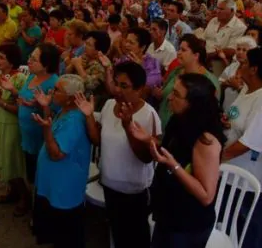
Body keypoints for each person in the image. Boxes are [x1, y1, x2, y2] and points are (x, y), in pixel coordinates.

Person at [76, 61, 162, 248]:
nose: (117, 90)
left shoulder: (148, 115)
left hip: (134, 191)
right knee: (118, 232)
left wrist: (128, 127)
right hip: (110, 184)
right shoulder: (108, 105)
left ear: (139, 90)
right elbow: (99, 141)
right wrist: (89, 116)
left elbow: (147, 157)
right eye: (116, 83)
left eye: (125, 86)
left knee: (136, 238)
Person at [149, 74, 226, 248]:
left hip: (187, 223)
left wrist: (173, 166)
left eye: (176, 94)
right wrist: (146, 138)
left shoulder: (206, 140)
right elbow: (171, 148)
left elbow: (206, 196)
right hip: (169, 211)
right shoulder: (179, 119)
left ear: (193, 103)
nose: (169, 97)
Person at [222, 47, 262, 248]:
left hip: (248, 173)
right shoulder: (248, 89)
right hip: (231, 167)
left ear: (254, 69)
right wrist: (226, 120)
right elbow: (234, 112)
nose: (241, 65)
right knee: (229, 221)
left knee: (245, 224)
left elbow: (249, 143)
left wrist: (217, 156)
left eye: (245, 62)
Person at [30, 75, 91, 248]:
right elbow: (51, 124)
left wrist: (46, 131)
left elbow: (56, 154)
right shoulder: (64, 112)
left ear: (71, 98)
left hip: (64, 187)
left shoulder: (74, 121)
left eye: (57, 90)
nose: (52, 92)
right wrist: (45, 108)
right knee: (57, 235)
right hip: (54, 184)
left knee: (67, 236)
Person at [16, 43, 60, 204]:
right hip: (28, 136)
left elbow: (57, 116)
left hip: (41, 140)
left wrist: (40, 105)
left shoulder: (54, 84)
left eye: (34, 59)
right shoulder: (32, 76)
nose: (29, 61)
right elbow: (25, 98)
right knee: (31, 173)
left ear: (46, 64)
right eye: (30, 57)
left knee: (41, 176)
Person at [0, 45, 28, 213]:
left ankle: (25, 198)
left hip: (11, 126)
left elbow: (20, 108)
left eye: (2, 57)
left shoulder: (19, 79)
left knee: (13, 162)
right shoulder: (1, 76)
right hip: (0, 122)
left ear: (11, 62)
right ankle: (12, 191)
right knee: (3, 160)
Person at [157, 34, 220, 131]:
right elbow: (164, 93)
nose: (178, 53)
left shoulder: (208, 82)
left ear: (196, 55)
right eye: (179, 49)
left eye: (183, 50)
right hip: (161, 126)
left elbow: (209, 115)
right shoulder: (176, 71)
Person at [66, 30, 111, 109]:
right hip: (74, 99)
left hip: (88, 106)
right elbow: (67, 74)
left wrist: (78, 66)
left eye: (89, 45)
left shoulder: (102, 66)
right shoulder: (85, 57)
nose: (84, 46)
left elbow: (90, 85)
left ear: (98, 51)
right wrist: (72, 64)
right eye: (86, 43)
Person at [204, 0, 247, 76]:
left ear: (232, 11)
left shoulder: (239, 27)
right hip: (203, 58)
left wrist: (209, 55)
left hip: (220, 62)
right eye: (217, 8)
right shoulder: (213, 21)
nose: (218, 11)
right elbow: (204, 38)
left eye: (221, 9)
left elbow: (231, 51)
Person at [114, 27, 162, 93]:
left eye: (131, 43)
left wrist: (141, 68)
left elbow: (150, 85)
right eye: (126, 41)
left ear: (142, 47)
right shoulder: (124, 59)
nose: (126, 45)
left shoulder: (153, 63)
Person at [219, 36, 257, 111]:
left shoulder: (253, 70)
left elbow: (253, 94)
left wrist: (237, 86)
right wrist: (227, 83)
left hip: (242, 109)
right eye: (238, 49)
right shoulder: (233, 66)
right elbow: (220, 81)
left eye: (244, 50)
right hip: (227, 106)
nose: (240, 52)